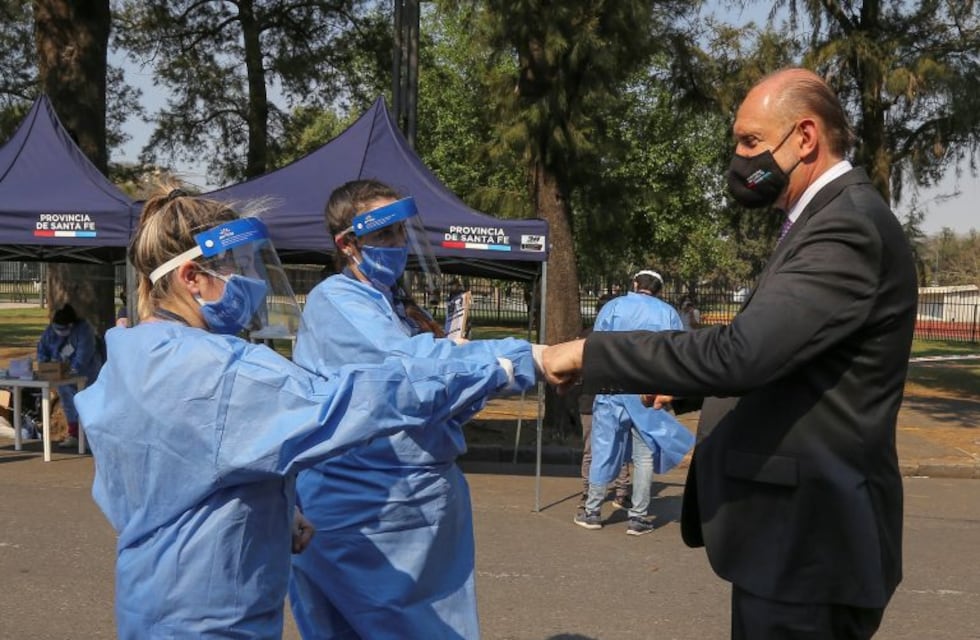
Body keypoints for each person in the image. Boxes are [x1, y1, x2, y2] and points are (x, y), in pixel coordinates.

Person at [541, 68, 917, 639]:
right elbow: (793, 358)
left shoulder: (847, 227)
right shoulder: (825, 219)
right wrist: (682, 390)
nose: (740, 160)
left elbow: (743, 353)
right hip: (790, 546)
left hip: (809, 549)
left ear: (805, 137)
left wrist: (589, 352)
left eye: (750, 142)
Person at [74, 185, 517, 639]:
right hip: (213, 613)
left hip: (151, 597)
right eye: (239, 265)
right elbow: (345, 403)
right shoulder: (217, 369)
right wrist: (501, 366)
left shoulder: (134, 353)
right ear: (191, 277)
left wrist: (278, 510)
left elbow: (158, 477)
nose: (253, 279)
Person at [288, 179, 542, 640]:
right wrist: (521, 360)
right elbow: (415, 371)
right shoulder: (337, 301)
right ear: (348, 245)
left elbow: (434, 396)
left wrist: (468, 383)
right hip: (368, 511)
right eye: (384, 234)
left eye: (402, 231)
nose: (398, 243)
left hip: (410, 509)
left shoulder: (389, 303)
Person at [573, 270, 693, 535]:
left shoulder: (614, 306)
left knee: (603, 450)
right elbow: (677, 352)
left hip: (612, 390)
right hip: (647, 394)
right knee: (644, 456)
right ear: (659, 289)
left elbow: (596, 345)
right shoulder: (668, 313)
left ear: (635, 283)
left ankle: (592, 511)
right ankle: (638, 517)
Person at [36, 303, 103, 448]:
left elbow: (83, 356)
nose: (59, 332)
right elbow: (42, 350)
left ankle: (90, 438)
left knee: (89, 405)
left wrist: (72, 370)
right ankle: (74, 435)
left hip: (87, 374)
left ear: (71, 325)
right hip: (63, 376)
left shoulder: (84, 330)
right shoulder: (51, 331)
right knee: (69, 404)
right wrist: (45, 366)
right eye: (57, 328)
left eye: (63, 329)